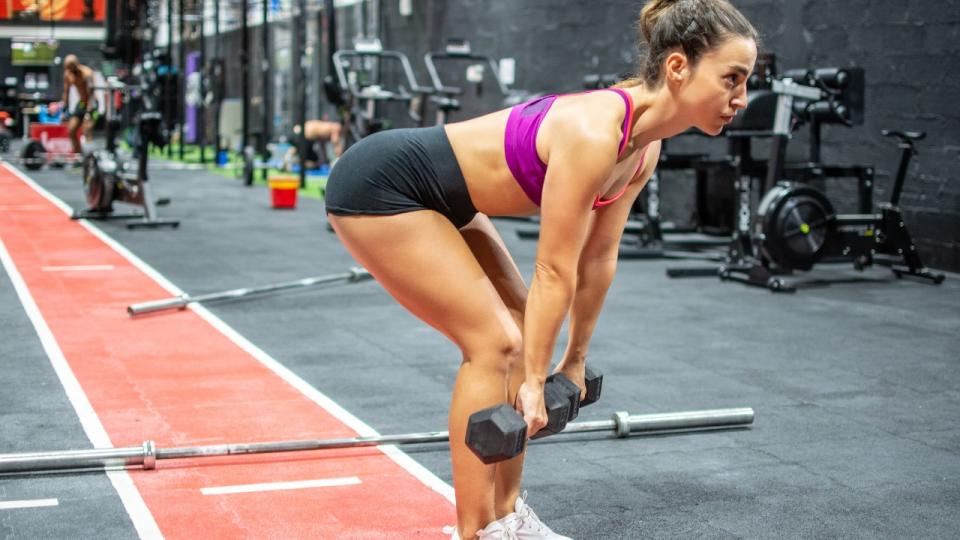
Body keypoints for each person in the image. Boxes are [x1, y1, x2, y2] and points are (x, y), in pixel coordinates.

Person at [325, 0, 758, 538]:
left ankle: (506, 519)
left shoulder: (645, 148)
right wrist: (533, 381)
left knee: (523, 335)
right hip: (382, 184)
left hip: (448, 199)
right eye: (732, 79)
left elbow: (598, 257)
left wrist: (572, 362)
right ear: (677, 67)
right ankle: (474, 530)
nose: (740, 98)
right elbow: (554, 269)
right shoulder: (595, 131)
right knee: (497, 344)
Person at [59, 54, 95, 156]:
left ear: (76, 65)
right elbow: (66, 92)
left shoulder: (87, 73)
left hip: (92, 104)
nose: (69, 70)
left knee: (87, 130)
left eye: (71, 68)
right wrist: (64, 109)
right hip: (82, 103)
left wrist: (89, 111)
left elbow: (91, 94)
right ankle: (79, 157)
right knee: (71, 130)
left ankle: (89, 159)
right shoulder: (68, 74)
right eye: (67, 68)